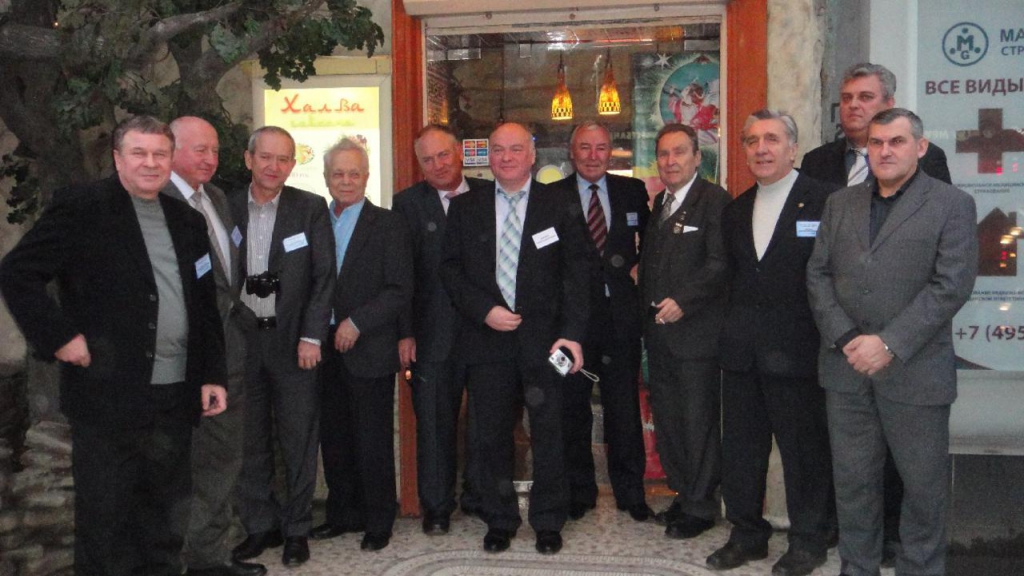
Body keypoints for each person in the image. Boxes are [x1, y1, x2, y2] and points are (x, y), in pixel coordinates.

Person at [0, 115, 227, 576]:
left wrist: (212, 374)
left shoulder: (187, 221)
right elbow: (17, 273)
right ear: (118, 158)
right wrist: (59, 337)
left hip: (174, 395)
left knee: (164, 519)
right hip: (108, 396)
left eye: (159, 154)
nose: (150, 163)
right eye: (139, 153)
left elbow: (204, 305)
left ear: (171, 159)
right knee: (105, 522)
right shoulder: (83, 208)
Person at [806, 108, 978, 576]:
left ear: (920, 147)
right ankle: (856, 568)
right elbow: (818, 274)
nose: (885, 151)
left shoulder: (952, 204)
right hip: (847, 369)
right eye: (877, 143)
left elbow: (952, 285)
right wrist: (847, 337)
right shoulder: (840, 203)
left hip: (915, 372)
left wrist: (889, 343)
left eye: (897, 142)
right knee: (853, 485)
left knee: (923, 489)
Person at [440, 122, 591, 555]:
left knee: (549, 432)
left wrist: (572, 336)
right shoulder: (465, 207)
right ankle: (500, 519)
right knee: (489, 436)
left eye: (515, 149)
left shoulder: (559, 204)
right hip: (487, 341)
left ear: (532, 155)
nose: (506, 157)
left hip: (546, 342)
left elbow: (579, 273)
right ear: (488, 156)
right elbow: (450, 270)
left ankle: (548, 520)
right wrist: (484, 310)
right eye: (498, 150)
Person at [708, 110, 836, 576]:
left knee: (804, 455)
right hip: (742, 355)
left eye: (772, 139)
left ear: (792, 148)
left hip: (800, 354)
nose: (761, 149)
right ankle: (747, 535)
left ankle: (809, 541)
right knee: (741, 453)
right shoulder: (735, 210)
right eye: (752, 141)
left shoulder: (826, 201)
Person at [161, 117, 264, 576]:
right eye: (199, 149)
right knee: (180, 464)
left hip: (227, 352)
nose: (209, 158)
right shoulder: (156, 201)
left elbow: (227, 278)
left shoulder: (217, 199)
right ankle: (177, 558)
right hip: (180, 359)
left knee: (222, 457)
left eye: (215, 150)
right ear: (171, 150)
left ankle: (209, 558)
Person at [230, 126, 335, 567]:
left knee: (298, 440)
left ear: (293, 164)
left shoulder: (309, 208)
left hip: (294, 343)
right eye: (266, 157)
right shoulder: (226, 206)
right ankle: (260, 525)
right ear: (249, 159)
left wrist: (312, 336)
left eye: (284, 159)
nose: (274, 166)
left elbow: (324, 277)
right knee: (249, 439)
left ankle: (296, 528)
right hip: (243, 342)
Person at [311, 137, 412, 552]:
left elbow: (399, 288)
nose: (346, 181)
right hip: (320, 347)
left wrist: (357, 322)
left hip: (369, 346)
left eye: (354, 173)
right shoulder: (315, 221)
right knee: (333, 437)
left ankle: (378, 519)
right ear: (326, 177)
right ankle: (343, 514)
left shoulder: (388, 224)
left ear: (367, 177)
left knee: (372, 439)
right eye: (338, 173)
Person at [549, 121, 653, 523]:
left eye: (601, 148)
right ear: (571, 151)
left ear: (611, 153)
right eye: (585, 147)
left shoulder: (632, 191)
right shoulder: (552, 196)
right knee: (572, 408)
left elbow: (652, 242)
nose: (593, 156)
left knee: (623, 408)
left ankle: (631, 493)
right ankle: (580, 491)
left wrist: (641, 270)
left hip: (620, 319)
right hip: (570, 326)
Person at [392, 124, 488, 534]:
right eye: (427, 159)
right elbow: (401, 274)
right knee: (433, 423)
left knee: (486, 422)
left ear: (459, 153)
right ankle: (436, 507)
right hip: (430, 334)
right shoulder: (406, 205)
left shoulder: (489, 195)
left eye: (443, 155)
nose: (437, 165)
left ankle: (481, 497)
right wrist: (405, 331)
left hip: (486, 331)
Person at [638, 123, 730, 540]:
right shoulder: (660, 202)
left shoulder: (714, 201)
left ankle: (701, 504)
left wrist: (684, 301)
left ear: (697, 157)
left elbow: (719, 264)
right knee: (670, 421)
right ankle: (683, 491)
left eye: (679, 152)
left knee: (697, 423)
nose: (670, 161)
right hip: (659, 337)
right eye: (663, 154)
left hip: (696, 338)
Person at [801, 62, 951, 186]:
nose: (853, 105)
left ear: (889, 104)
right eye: (846, 98)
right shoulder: (816, 161)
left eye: (865, 97)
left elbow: (940, 208)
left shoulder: (924, 156)